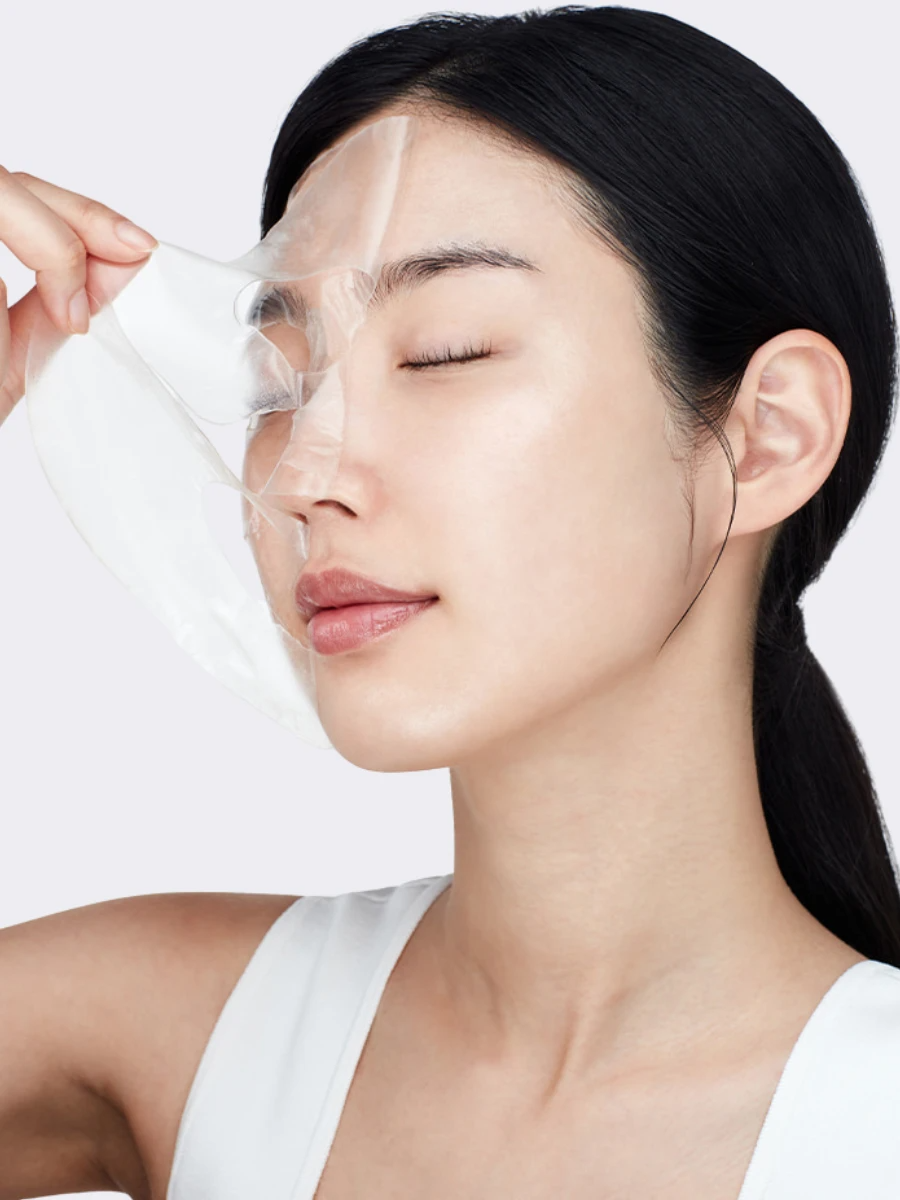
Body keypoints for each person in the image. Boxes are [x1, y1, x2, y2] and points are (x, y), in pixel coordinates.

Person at [1, 6, 899, 1198]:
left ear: (769, 432)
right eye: (278, 386)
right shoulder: (159, 1031)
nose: (301, 477)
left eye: (445, 352)